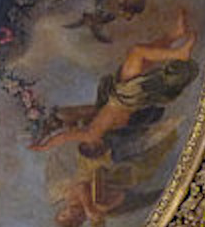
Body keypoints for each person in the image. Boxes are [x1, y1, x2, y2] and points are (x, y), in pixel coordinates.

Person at [29, 8, 196, 155]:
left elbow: (73, 123)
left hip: (123, 97)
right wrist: (44, 146)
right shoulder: (92, 134)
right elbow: (65, 137)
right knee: (137, 52)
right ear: (93, 145)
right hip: (123, 96)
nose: (81, 137)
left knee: (143, 59)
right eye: (83, 143)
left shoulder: (105, 128)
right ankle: (179, 54)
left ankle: (174, 36)